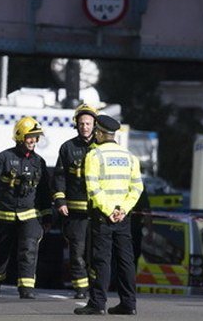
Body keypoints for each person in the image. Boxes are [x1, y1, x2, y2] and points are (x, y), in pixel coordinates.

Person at [74, 115, 143, 316]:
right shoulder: (130, 156)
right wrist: (123, 210)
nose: (95, 134)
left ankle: (97, 303)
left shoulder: (94, 156)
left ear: (101, 133)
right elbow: (137, 187)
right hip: (123, 216)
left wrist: (108, 210)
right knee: (125, 260)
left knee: (101, 259)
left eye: (97, 131)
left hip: (103, 216)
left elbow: (92, 187)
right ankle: (129, 304)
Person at [0, 116, 52, 300]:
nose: (34, 141)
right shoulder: (4, 157)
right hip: (4, 214)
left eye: (36, 137)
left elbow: (45, 191)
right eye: (30, 136)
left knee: (28, 251)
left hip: (30, 215)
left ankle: (26, 289)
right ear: (20, 136)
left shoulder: (39, 162)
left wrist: (47, 216)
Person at [52, 103, 98, 299]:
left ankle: (97, 289)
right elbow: (59, 177)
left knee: (96, 254)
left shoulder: (102, 147)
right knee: (76, 253)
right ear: (76, 125)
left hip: (98, 211)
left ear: (94, 124)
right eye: (81, 123)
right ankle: (81, 289)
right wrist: (60, 201)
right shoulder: (68, 148)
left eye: (88, 123)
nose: (85, 127)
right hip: (75, 213)